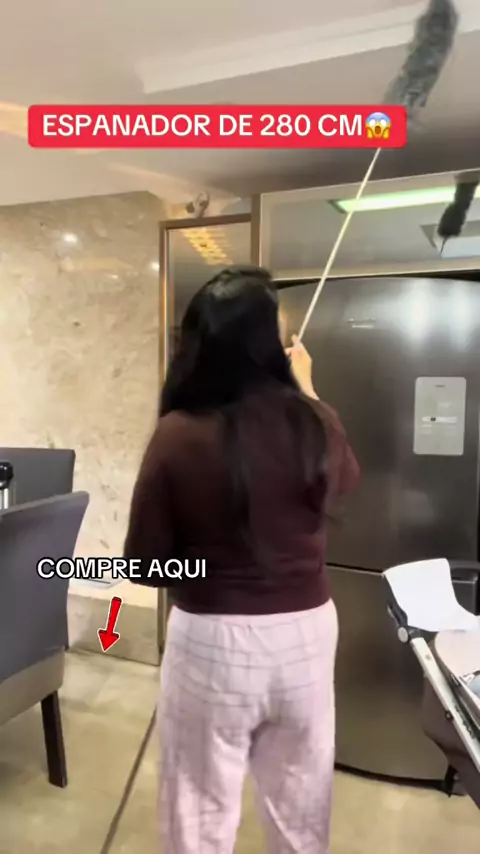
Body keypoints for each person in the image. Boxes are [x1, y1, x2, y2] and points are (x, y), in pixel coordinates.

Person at [124, 265, 360, 853]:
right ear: (266, 346)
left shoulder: (177, 434)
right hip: (307, 636)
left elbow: (145, 564)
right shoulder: (316, 422)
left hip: (212, 642)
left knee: (199, 812)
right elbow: (345, 481)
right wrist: (308, 391)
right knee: (301, 806)